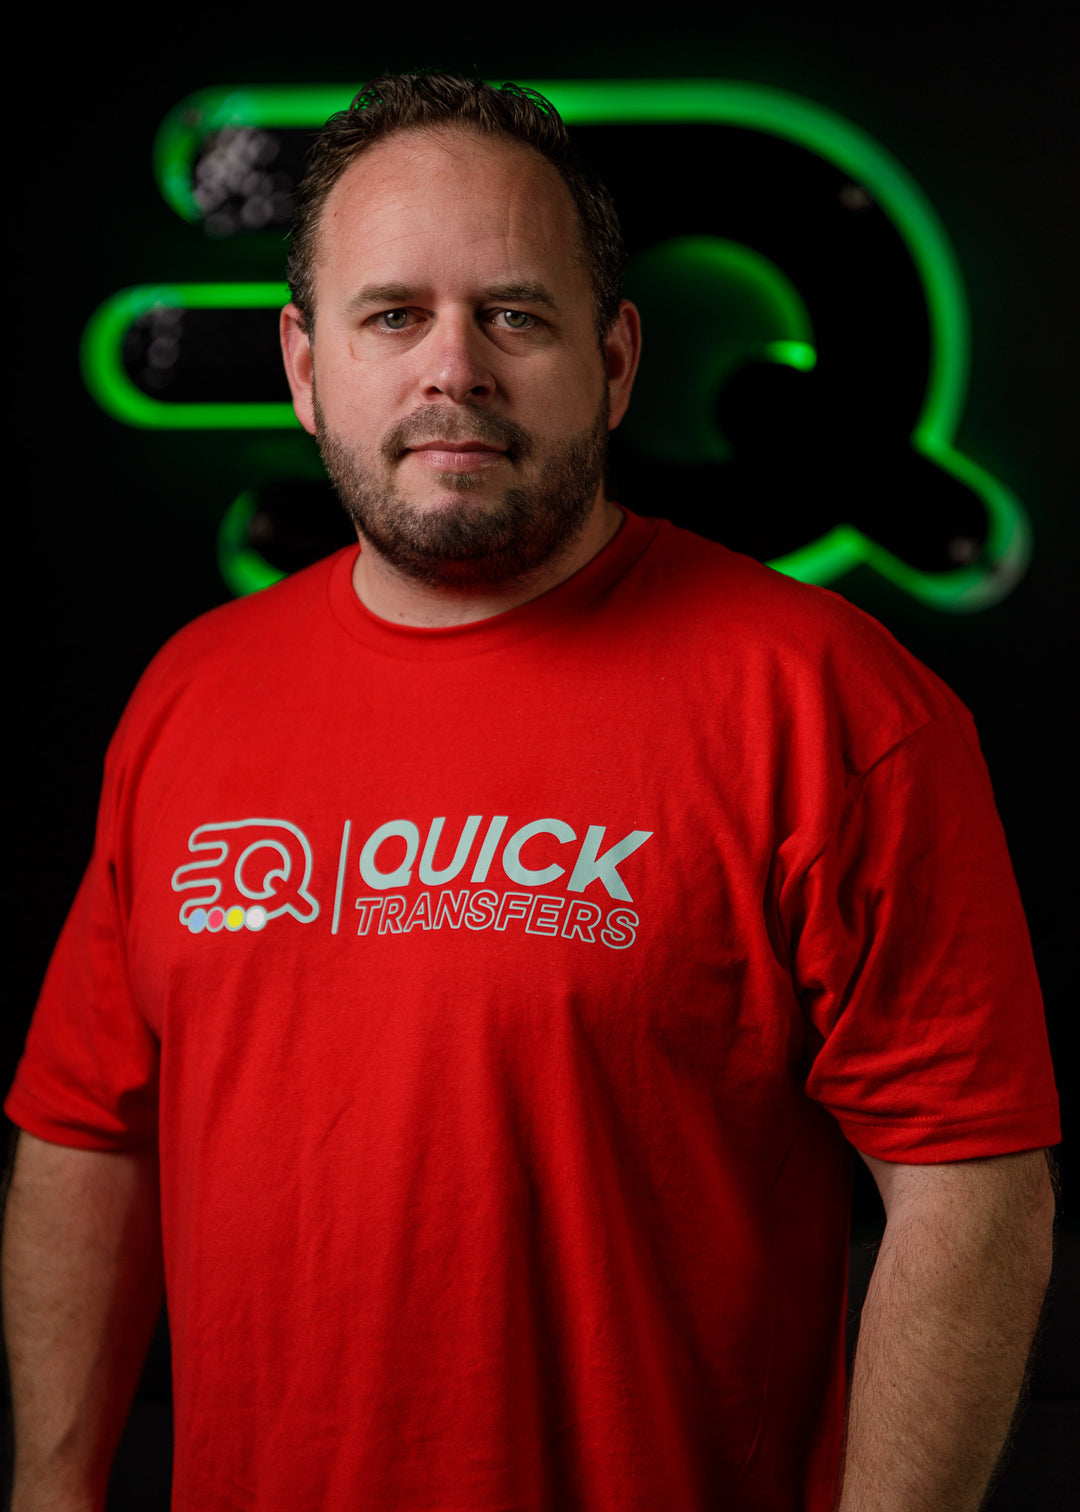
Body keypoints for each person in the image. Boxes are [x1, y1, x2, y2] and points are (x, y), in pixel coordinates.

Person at [2, 72, 1060, 1512]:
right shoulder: (194, 695)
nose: (455, 371)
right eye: (393, 316)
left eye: (514, 313)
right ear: (305, 366)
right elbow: (87, 1134)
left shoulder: (827, 700)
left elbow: (971, 1186)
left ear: (616, 360)